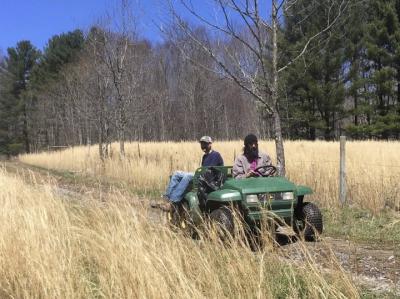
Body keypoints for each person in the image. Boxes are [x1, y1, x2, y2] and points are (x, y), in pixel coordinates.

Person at [163, 136, 223, 203]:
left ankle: (173, 200)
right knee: (176, 174)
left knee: (187, 176)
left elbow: (208, 170)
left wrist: (199, 174)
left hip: (210, 179)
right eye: (202, 144)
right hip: (202, 175)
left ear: (210, 144)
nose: (203, 146)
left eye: (205, 144)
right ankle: (167, 197)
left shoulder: (215, 155)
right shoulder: (205, 156)